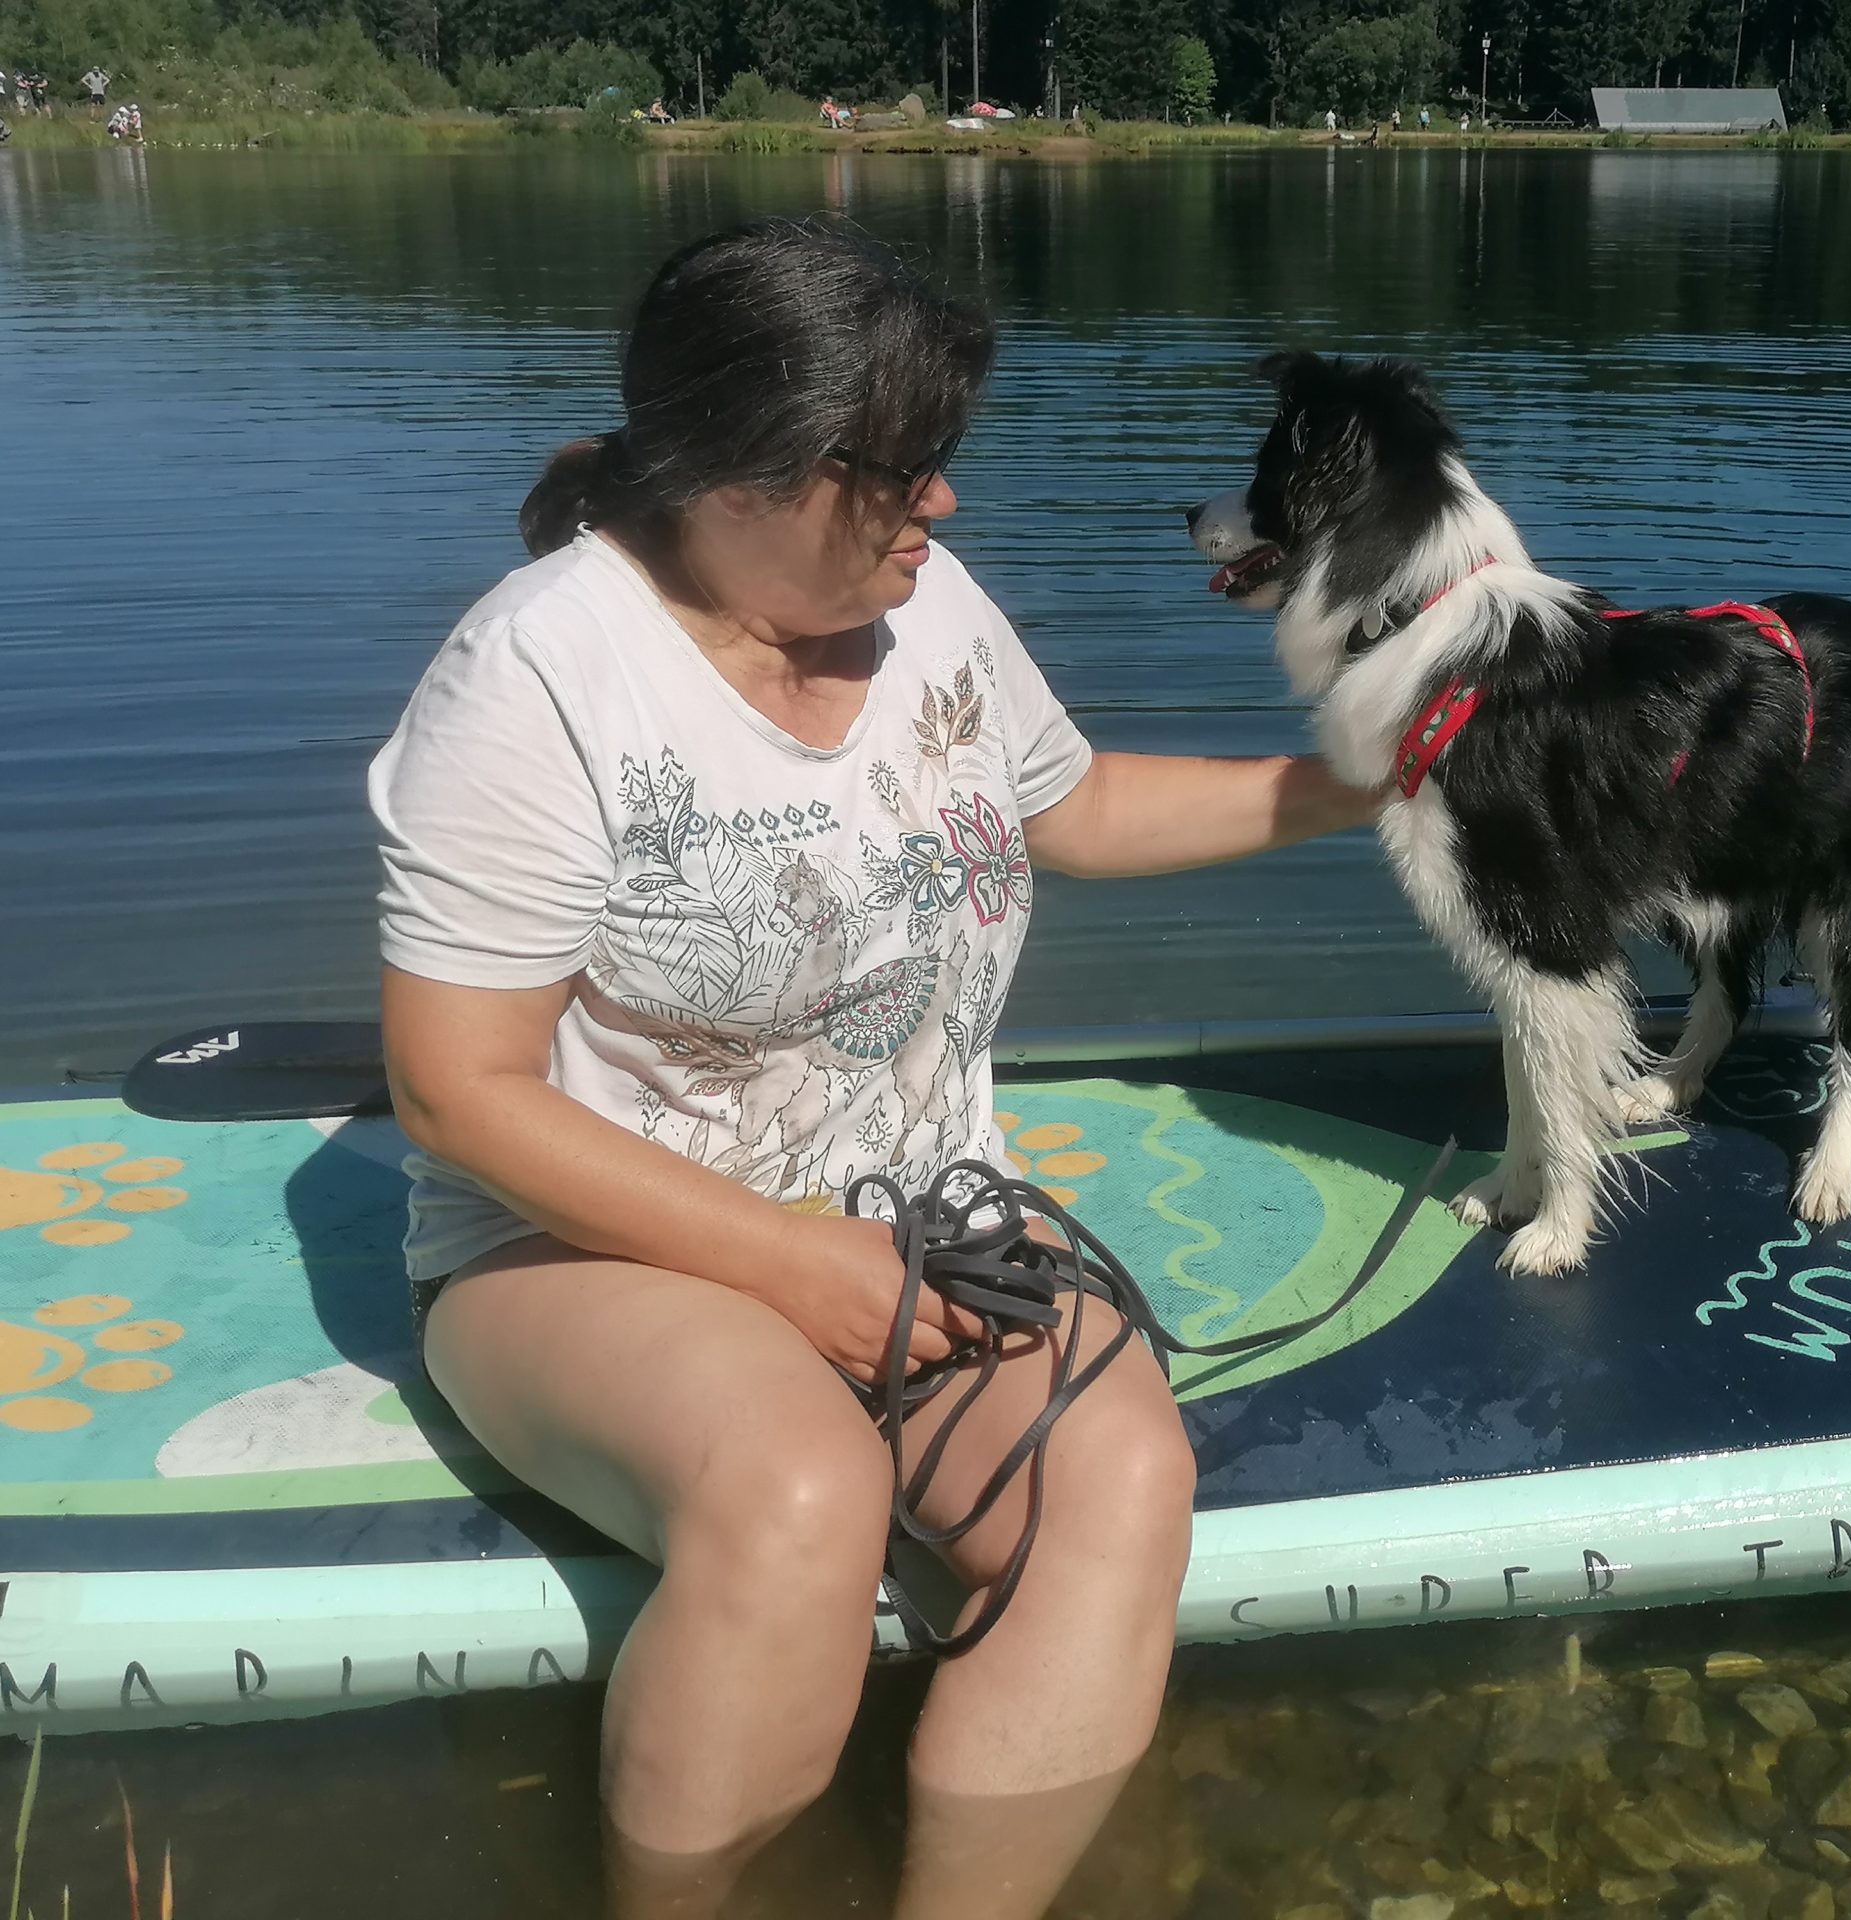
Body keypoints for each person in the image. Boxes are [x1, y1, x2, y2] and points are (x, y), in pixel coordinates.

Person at [370, 215, 1377, 1920]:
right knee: (797, 1493)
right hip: (579, 1250)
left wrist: (1370, 780)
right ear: (743, 470)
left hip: (922, 1218)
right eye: (904, 469)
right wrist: (793, 1266)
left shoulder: (926, 608)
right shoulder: (541, 672)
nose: (945, 504)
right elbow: (456, 1087)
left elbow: (1078, 809)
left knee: (1118, 1478)